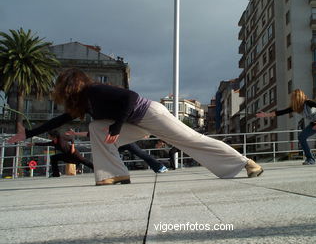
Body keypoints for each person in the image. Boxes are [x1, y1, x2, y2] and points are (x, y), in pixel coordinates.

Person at [8, 68, 263, 185]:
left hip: (149, 113)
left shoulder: (95, 89)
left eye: (63, 88)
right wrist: (27, 133)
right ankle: (114, 174)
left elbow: (130, 97)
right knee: (97, 127)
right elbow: (60, 120)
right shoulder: (84, 103)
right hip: (136, 122)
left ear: (71, 86)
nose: (62, 93)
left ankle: (247, 163)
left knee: (191, 141)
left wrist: (117, 127)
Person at [66, 130, 168, 173]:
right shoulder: (99, 131)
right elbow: (88, 133)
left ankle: (159, 167)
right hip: (116, 145)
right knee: (109, 156)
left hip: (126, 142)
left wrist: (143, 134)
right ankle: (113, 172)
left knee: (141, 153)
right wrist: (75, 133)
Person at [28, 130, 94, 177]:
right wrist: (34, 144)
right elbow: (44, 144)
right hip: (66, 155)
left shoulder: (61, 137)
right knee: (54, 158)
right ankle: (56, 174)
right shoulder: (53, 142)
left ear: (53, 136)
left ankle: (96, 169)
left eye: (49, 135)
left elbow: (71, 139)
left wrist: (73, 147)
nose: (48, 137)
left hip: (73, 153)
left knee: (84, 161)